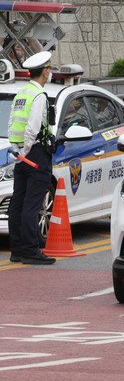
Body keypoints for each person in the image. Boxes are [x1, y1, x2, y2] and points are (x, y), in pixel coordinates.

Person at [7, 51, 56, 265]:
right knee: (32, 204)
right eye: (50, 68)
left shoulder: (22, 93)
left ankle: (17, 249)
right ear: (45, 71)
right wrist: (26, 150)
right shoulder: (38, 96)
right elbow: (33, 127)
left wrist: (17, 150)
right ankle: (30, 250)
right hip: (34, 154)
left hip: (20, 155)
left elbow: (11, 124)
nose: (50, 72)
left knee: (18, 203)